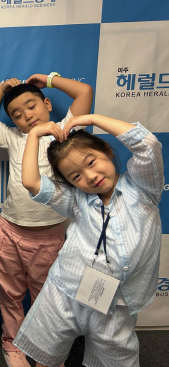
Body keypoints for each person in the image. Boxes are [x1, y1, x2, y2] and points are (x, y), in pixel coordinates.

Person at [15, 114, 163, 367]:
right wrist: (34, 134)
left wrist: (92, 118)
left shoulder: (143, 189)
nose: (91, 176)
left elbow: (147, 143)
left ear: (106, 150)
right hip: (65, 289)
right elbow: (31, 182)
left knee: (117, 360)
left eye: (91, 162)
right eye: (76, 177)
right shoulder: (76, 200)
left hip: (117, 301)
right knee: (46, 358)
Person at [0, 74, 93, 367]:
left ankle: (45, 350)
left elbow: (84, 92)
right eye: (17, 114)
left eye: (32, 106)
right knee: (11, 294)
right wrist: (1, 89)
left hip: (49, 237)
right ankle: (12, 343)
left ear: (47, 104)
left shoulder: (63, 132)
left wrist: (50, 79)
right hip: (9, 232)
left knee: (47, 298)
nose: (27, 116)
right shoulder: (14, 137)